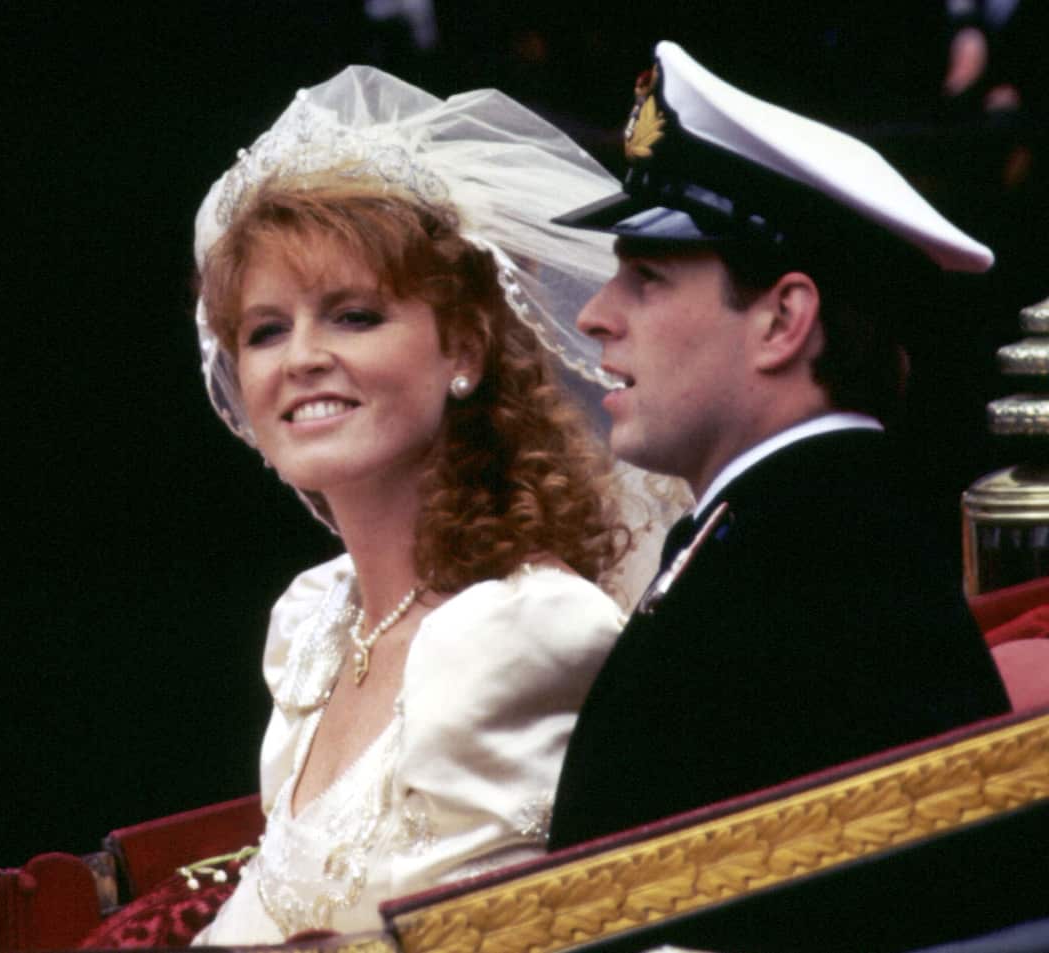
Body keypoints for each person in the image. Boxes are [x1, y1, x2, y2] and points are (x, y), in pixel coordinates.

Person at [188, 66, 682, 943]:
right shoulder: (312, 625)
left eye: (352, 316)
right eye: (266, 330)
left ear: (462, 345)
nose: (300, 357)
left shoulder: (518, 629)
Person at [547, 41, 1012, 850]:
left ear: (784, 319)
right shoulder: (793, 528)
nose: (595, 313)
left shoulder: (822, 562)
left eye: (648, 276)